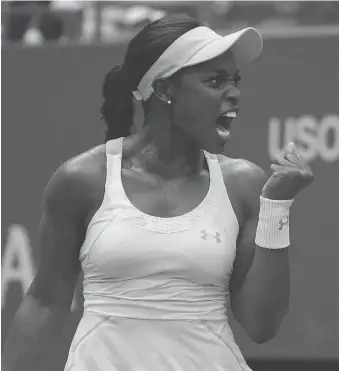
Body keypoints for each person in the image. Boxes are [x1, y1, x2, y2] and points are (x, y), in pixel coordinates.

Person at [2, 14, 314, 371]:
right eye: (215, 81)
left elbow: (262, 326)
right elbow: (46, 303)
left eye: (235, 81)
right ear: (165, 90)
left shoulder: (242, 183)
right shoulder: (82, 179)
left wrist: (277, 207)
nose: (234, 94)